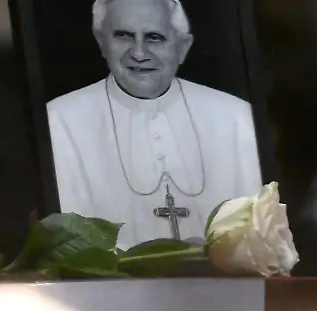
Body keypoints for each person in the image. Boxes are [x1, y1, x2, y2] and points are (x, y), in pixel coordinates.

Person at [47, 0, 263, 248]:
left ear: (182, 47)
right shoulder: (59, 120)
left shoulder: (236, 116)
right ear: (101, 41)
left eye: (154, 38)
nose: (138, 53)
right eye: (124, 36)